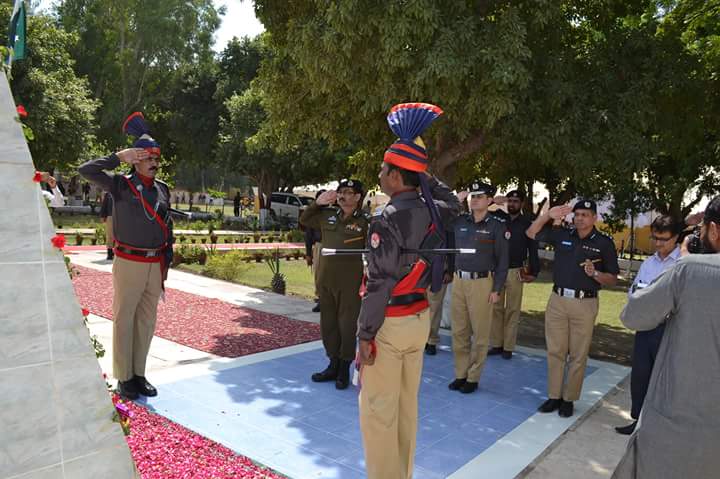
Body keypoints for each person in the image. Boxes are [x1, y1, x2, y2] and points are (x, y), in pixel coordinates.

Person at [357, 103, 460, 479]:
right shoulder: (435, 210)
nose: (380, 174)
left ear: (396, 176)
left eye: (384, 169)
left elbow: (379, 283)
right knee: (405, 408)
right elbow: (455, 202)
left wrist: (364, 334)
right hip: (418, 318)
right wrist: (423, 174)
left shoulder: (388, 217)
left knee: (378, 413)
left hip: (389, 323)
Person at [612, 196, 720, 479]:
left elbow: (632, 315)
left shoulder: (689, 269)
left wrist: (684, 261)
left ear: (714, 230)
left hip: (680, 432)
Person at [79, 111, 174, 401]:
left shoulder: (163, 190)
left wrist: (166, 262)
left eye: (156, 158)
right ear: (135, 160)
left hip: (154, 264)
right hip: (129, 262)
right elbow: (86, 170)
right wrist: (117, 157)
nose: (154, 163)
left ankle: (139, 374)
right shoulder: (121, 185)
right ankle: (124, 377)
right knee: (124, 319)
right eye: (148, 157)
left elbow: (167, 227)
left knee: (146, 322)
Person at [526, 199, 619, 417]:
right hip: (558, 300)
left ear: (594, 218)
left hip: (585, 303)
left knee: (578, 354)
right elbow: (531, 233)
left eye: (585, 215)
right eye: (577, 214)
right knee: (555, 351)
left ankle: (569, 399)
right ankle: (554, 396)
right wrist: (547, 215)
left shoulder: (604, 243)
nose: (580, 218)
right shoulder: (563, 234)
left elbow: (613, 278)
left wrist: (595, 274)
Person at [300, 181, 368, 389]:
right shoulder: (327, 215)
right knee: (328, 324)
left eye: (348, 192)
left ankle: (344, 368)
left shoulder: (365, 221)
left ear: (358, 197)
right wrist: (317, 203)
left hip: (350, 283)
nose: (342, 196)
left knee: (347, 326)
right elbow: (304, 220)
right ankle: (332, 364)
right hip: (327, 280)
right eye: (340, 192)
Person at [446, 181, 509, 394]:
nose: (474, 200)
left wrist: (497, 289)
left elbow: (502, 261)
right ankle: (460, 374)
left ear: (490, 200)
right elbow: (441, 220)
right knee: (459, 331)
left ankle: (473, 377)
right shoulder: (460, 221)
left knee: (480, 334)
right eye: (473, 196)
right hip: (459, 281)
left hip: (482, 283)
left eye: (480, 196)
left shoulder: (497, 226)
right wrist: (456, 201)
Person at [489, 190, 540, 359]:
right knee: (495, 308)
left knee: (513, 310)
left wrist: (534, 272)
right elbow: (478, 213)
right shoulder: (498, 218)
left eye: (516, 201)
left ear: (522, 203)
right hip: (497, 271)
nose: (512, 204)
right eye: (510, 200)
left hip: (516, 271)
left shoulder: (527, 223)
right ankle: (496, 344)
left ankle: (508, 347)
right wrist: (492, 201)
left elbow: (533, 248)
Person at [304, 189, 325, 314]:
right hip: (319, 246)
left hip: (333, 246)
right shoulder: (313, 216)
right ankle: (320, 300)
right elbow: (308, 235)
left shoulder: (334, 213)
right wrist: (308, 254)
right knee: (319, 274)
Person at [99, 192, 114, 260]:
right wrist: (103, 216)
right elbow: (104, 205)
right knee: (110, 235)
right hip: (110, 216)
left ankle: (118, 252)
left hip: (121, 217)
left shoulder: (124, 192)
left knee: (120, 235)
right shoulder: (108, 194)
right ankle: (110, 253)